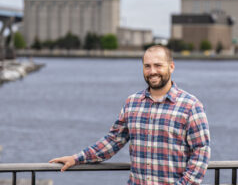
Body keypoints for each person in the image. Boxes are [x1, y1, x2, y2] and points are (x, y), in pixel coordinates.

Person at [49, 45, 211, 184]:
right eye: (147, 66)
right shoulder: (132, 102)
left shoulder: (191, 106)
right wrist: (76, 158)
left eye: (158, 65)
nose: (152, 71)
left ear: (171, 67)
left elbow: (200, 153)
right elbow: (113, 141)